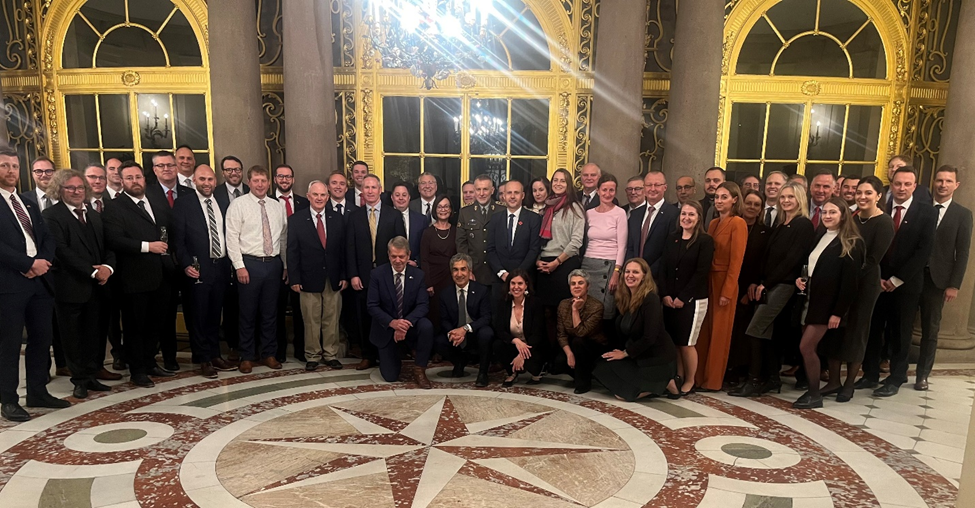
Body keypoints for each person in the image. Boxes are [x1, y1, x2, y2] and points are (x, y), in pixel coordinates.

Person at [0, 148, 68, 421]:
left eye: (14, 166)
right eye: (4, 166)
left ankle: (38, 391)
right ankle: (8, 399)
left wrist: (42, 262)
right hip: (10, 284)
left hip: (40, 281)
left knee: (42, 338)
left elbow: (47, 237)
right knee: (10, 342)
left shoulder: (26, 203)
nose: (10, 171)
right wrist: (27, 264)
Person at [858, 166, 936, 397]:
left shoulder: (927, 212)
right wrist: (879, 277)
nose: (901, 188)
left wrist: (896, 279)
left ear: (914, 186)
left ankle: (896, 376)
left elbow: (924, 251)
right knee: (873, 328)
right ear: (891, 185)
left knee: (900, 331)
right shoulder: (879, 208)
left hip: (906, 283)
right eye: (897, 183)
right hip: (877, 281)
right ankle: (870, 373)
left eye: (907, 184)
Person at [730, 182, 814, 397]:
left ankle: (754, 380)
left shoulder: (802, 225)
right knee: (766, 332)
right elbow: (767, 258)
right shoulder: (781, 223)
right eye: (783, 197)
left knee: (755, 329)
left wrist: (765, 284)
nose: (786, 201)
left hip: (783, 285)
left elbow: (792, 260)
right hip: (769, 284)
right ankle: (771, 378)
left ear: (800, 200)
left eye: (791, 197)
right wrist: (760, 281)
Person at [102, 162, 177, 387]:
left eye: (138, 177)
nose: (135, 181)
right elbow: (114, 240)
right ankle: (137, 371)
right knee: (136, 326)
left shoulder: (154, 200)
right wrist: (147, 246)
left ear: (144, 179)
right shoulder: (115, 207)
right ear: (122, 182)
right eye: (130, 178)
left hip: (161, 275)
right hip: (134, 277)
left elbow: (165, 230)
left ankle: (149, 362)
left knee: (156, 323)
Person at [42, 170, 114, 400]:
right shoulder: (51, 216)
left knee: (94, 333)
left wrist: (107, 268)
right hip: (71, 287)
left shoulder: (93, 214)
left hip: (98, 286)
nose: (76, 192)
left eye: (80, 188)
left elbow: (107, 245)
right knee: (73, 337)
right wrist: (92, 271)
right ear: (59, 190)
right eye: (70, 188)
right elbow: (62, 252)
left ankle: (92, 375)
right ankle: (79, 380)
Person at [821, 176, 893, 402]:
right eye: (860, 192)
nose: (862, 197)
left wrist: (847, 278)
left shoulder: (884, 223)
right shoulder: (851, 217)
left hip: (865, 285)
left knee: (856, 334)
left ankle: (849, 383)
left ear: (878, 196)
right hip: (843, 283)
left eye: (868, 193)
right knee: (835, 330)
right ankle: (834, 381)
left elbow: (872, 260)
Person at [792, 197, 863, 409]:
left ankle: (814, 393)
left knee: (806, 346)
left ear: (843, 216)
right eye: (824, 212)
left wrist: (838, 313)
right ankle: (812, 391)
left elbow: (850, 284)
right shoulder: (821, 235)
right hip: (811, 297)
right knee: (808, 345)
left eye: (833, 212)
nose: (827, 216)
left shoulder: (852, 243)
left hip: (827, 303)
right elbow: (811, 264)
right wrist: (800, 278)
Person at [171, 164, 239, 379]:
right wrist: (185, 264)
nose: (207, 183)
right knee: (198, 315)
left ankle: (215, 354)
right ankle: (203, 359)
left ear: (215, 181)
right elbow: (177, 240)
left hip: (220, 266)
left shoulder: (222, 201)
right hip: (197, 267)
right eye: (202, 179)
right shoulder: (184, 204)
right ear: (194, 181)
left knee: (214, 314)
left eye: (210, 179)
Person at [225, 165, 289, 374]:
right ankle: (246, 355)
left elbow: (283, 237)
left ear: (269, 182)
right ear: (249, 182)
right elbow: (231, 238)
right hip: (249, 264)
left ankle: (269, 353)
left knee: (271, 313)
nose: (260, 184)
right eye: (256, 181)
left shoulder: (277, 206)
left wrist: (285, 264)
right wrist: (239, 266)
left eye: (263, 180)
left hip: (273, 264)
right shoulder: (238, 205)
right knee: (247, 312)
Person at [916, 165, 972, 390]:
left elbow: (964, 251)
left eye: (948, 181)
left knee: (931, 329)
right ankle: (896, 371)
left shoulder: (963, 214)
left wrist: (954, 285)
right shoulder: (919, 208)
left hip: (938, 281)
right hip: (912, 276)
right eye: (939, 180)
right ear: (934, 182)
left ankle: (922, 375)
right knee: (899, 325)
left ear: (956, 185)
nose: (943, 185)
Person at [593, 258, 680, 401]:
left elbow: (649, 337)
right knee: (602, 366)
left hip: (657, 358)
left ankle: (667, 383)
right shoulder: (625, 297)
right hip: (639, 355)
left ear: (644, 276)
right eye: (627, 271)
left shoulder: (650, 299)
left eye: (635, 272)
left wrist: (625, 353)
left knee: (622, 395)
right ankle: (654, 386)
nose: (630, 275)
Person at [346, 174, 407, 370]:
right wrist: (353, 274)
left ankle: (389, 353)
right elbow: (350, 247)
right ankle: (368, 355)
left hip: (388, 275)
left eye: (374, 187)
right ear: (361, 191)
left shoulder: (393, 214)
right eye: (367, 188)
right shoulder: (354, 216)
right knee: (364, 315)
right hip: (363, 276)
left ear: (380, 190)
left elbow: (401, 245)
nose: (370, 191)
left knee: (388, 313)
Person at [287, 180, 347, 372]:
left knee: (331, 317)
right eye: (315, 195)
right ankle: (312, 355)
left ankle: (330, 354)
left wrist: (345, 275)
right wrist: (294, 278)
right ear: (308, 196)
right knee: (311, 319)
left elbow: (343, 250)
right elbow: (292, 251)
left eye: (323, 195)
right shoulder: (297, 220)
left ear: (328, 197)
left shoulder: (337, 218)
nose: (319, 198)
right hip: (307, 278)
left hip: (333, 277)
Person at [695, 182, 747, 391]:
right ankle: (699, 377)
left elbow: (736, 261)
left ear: (734, 199)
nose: (719, 201)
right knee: (704, 331)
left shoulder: (738, 223)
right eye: (717, 197)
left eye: (724, 197)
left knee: (720, 334)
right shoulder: (713, 223)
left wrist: (727, 290)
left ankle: (713, 381)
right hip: (708, 280)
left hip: (725, 281)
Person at [659, 201, 714, 395]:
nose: (686, 218)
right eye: (684, 214)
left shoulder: (705, 241)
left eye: (691, 214)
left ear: (699, 217)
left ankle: (690, 381)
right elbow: (664, 268)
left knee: (687, 343)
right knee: (674, 342)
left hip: (692, 301)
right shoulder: (672, 238)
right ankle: (678, 376)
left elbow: (701, 273)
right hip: (670, 300)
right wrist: (665, 294)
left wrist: (683, 297)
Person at [367, 236, 434, 388]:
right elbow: (372, 306)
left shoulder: (418, 275)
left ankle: (419, 369)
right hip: (386, 328)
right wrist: (393, 323)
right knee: (390, 376)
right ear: (388, 255)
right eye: (393, 256)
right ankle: (392, 356)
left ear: (408, 255)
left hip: (410, 326)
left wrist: (405, 324)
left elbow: (423, 305)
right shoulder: (377, 274)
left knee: (426, 326)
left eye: (401, 256)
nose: (397, 260)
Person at [147, 151, 191, 372]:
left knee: (193, 311)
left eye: (170, 165)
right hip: (161, 264)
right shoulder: (147, 194)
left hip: (189, 262)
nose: (167, 169)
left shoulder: (189, 193)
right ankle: (167, 356)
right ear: (154, 170)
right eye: (161, 166)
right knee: (163, 313)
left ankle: (198, 354)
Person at [81, 163, 124, 381]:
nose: (97, 181)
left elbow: (113, 240)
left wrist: (108, 266)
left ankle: (111, 358)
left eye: (100, 178)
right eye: (92, 177)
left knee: (112, 313)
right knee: (96, 323)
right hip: (87, 275)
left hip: (114, 268)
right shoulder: (76, 206)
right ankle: (89, 368)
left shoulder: (113, 205)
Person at [727, 189, 771, 385]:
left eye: (757, 204)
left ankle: (741, 370)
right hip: (730, 284)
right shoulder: (733, 225)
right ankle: (728, 368)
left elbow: (763, 262)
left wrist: (748, 289)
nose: (752, 207)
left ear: (761, 209)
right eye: (749, 203)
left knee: (743, 331)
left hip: (750, 289)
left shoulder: (765, 233)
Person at [434, 253, 493, 387]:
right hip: (456, 336)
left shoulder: (481, 290)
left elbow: (486, 317)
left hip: (474, 333)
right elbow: (443, 320)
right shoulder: (445, 293)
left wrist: (465, 329)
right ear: (451, 272)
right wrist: (453, 333)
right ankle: (459, 362)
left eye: (463, 269)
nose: (459, 274)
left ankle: (483, 373)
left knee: (487, 333)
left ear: (470, 271)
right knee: (438, 341)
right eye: (455, 269)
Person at [271, 164, 307, 361]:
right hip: (275, 265)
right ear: (275, 179)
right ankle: (279, 352)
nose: (284, 180)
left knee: (300, 310)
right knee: (275, 310)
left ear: (293, 179)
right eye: (281, 176)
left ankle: (302, 350)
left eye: (288, 177)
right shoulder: (266, 201)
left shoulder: (303, 202)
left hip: (300, 266)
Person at [536, 168, 585, 311]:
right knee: (545, 313)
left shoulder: (575, 208)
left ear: (568, 184)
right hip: (544, 264)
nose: (558, 184)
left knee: (563, 311)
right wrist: (538, 260)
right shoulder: (547, 207)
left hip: (565, 263)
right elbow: (538, 238)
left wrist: (557, 262)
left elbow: (576, 241)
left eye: (562, 181)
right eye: (555, 180)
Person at [552, 270, 608, 394]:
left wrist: (575, 310)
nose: (576, 286)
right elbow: (561, 334)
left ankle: (584, 382)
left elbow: (581, 333)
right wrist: (569, 354)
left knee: (579, 341)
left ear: (588, 286)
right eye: (573, 283)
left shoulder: (596, 306)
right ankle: (582, 373)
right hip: (573, 345)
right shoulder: (563, 304)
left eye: (580, 283)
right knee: (558, 363)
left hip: (593, 346)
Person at [583, 174, 628, 324]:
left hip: (609, 266)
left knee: (605, 310)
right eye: (604, 190)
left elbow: (622, 246)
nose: (608, 194)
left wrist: (616, 272)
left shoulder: (620, 213)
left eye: (611, 190)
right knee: (587, 307)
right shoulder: (589, 213)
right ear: (598, 190)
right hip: (589, 264)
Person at [486, 180, 542, 296]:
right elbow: (490, 249)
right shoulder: (495, 219)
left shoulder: (534, 219)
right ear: (504, 196)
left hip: (524, 279)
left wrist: (518, 275)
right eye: (509, 193)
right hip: (500, 280)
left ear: (522, 195)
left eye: (516, 193)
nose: (512, 196)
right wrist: (502, 273)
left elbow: (534, 249)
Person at [493, 269, 546, 385]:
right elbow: (499, 330)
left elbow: (537, 334)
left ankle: (536, 372)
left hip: (532, 346)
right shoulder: (503, 303)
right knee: (498, 344)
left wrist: (522, 355)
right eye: (513, 283)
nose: (516, 287)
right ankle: (511, 373)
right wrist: (515, 340)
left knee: (534, 366)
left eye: (520, 283)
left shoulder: (535, 303)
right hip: (513, 345)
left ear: (526, 285)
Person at [627, 171, 679, 278]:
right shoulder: (635, 214)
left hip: (658, 276)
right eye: (649, 185)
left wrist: (648, 272)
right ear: (644, 188)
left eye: (657, 185)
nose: (653, 189)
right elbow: (630, 247)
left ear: (665, 187)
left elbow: (670, 250)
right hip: (634, 277)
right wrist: (632, 270)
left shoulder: (674, 214)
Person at [421, 196, 457, 332]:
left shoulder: (456, 231)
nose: (443, 210)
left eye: (446, 206)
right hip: (434, 279)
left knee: (450, 311)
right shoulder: (427, 232)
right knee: (435, 313)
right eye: (440, 207)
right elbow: (424, 259)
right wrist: (428, 282)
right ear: (435, 210)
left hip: (452, 277)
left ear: (451, 210)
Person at [456, 174, 501, 285]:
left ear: (492, 190)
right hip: (474, 271)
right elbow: (461, 243)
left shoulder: (502, 210)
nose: (481, 193)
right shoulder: (465, 212)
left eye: (485, 189)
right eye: (478, 189)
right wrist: (467, 270)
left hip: (497, 270)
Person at [391, 182, 428, 265]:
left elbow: (425, 246)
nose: (401, 198)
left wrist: (416, 261)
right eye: (397, 195)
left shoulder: (421, 219)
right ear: (392, 197)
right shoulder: (384, 217)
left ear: (409, 197)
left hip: (414, 267)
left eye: (404, 195)